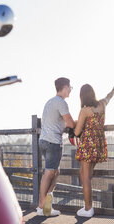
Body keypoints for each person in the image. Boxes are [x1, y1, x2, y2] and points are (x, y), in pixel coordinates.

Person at [74, 84, 114, 217]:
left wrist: (76, 124)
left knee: (85, 177)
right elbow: (108, 98)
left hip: (87, 144)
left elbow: (76, 132)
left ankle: (88, 209)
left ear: (82, 96)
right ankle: (87, 206)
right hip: (98, 143)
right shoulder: (102, 105)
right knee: (85, 174)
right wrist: (112, 91)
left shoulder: (85, 111)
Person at [36, 77, 75, 216]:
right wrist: (78, 124)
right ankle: (41, 207)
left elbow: (58, 122)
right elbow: (70, 123)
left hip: (44, 140)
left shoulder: (50, 102)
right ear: (65, 87)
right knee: (49, 173)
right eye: (70, 87)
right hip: (53, 142)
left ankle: (46, 203)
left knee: (54, 172)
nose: (71, 90)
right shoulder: (61, 102)